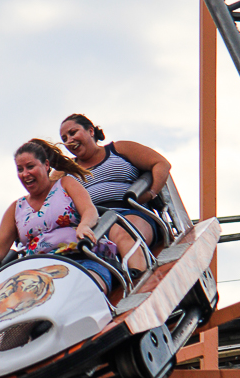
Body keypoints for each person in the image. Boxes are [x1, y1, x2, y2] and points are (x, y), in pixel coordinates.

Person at [0, 139, 117, 293]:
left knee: (83, 291)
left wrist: (84, 225)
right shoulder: (17, 208)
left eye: (30, 167)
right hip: (36, 276)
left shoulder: (65, 184)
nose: (25, 174)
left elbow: (90, 211)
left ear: (46, 165)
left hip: (80, 260)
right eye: (20, 169)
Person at [59, 113, 171, 273]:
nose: (69, 140)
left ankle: (136, 274)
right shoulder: (66, 172)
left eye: (73, 132)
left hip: (129, 211)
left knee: (121, 230)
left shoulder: (119, 149)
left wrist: (151, 193)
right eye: (64, 138)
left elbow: (161, 164)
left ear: (91, 131)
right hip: (93, 224)